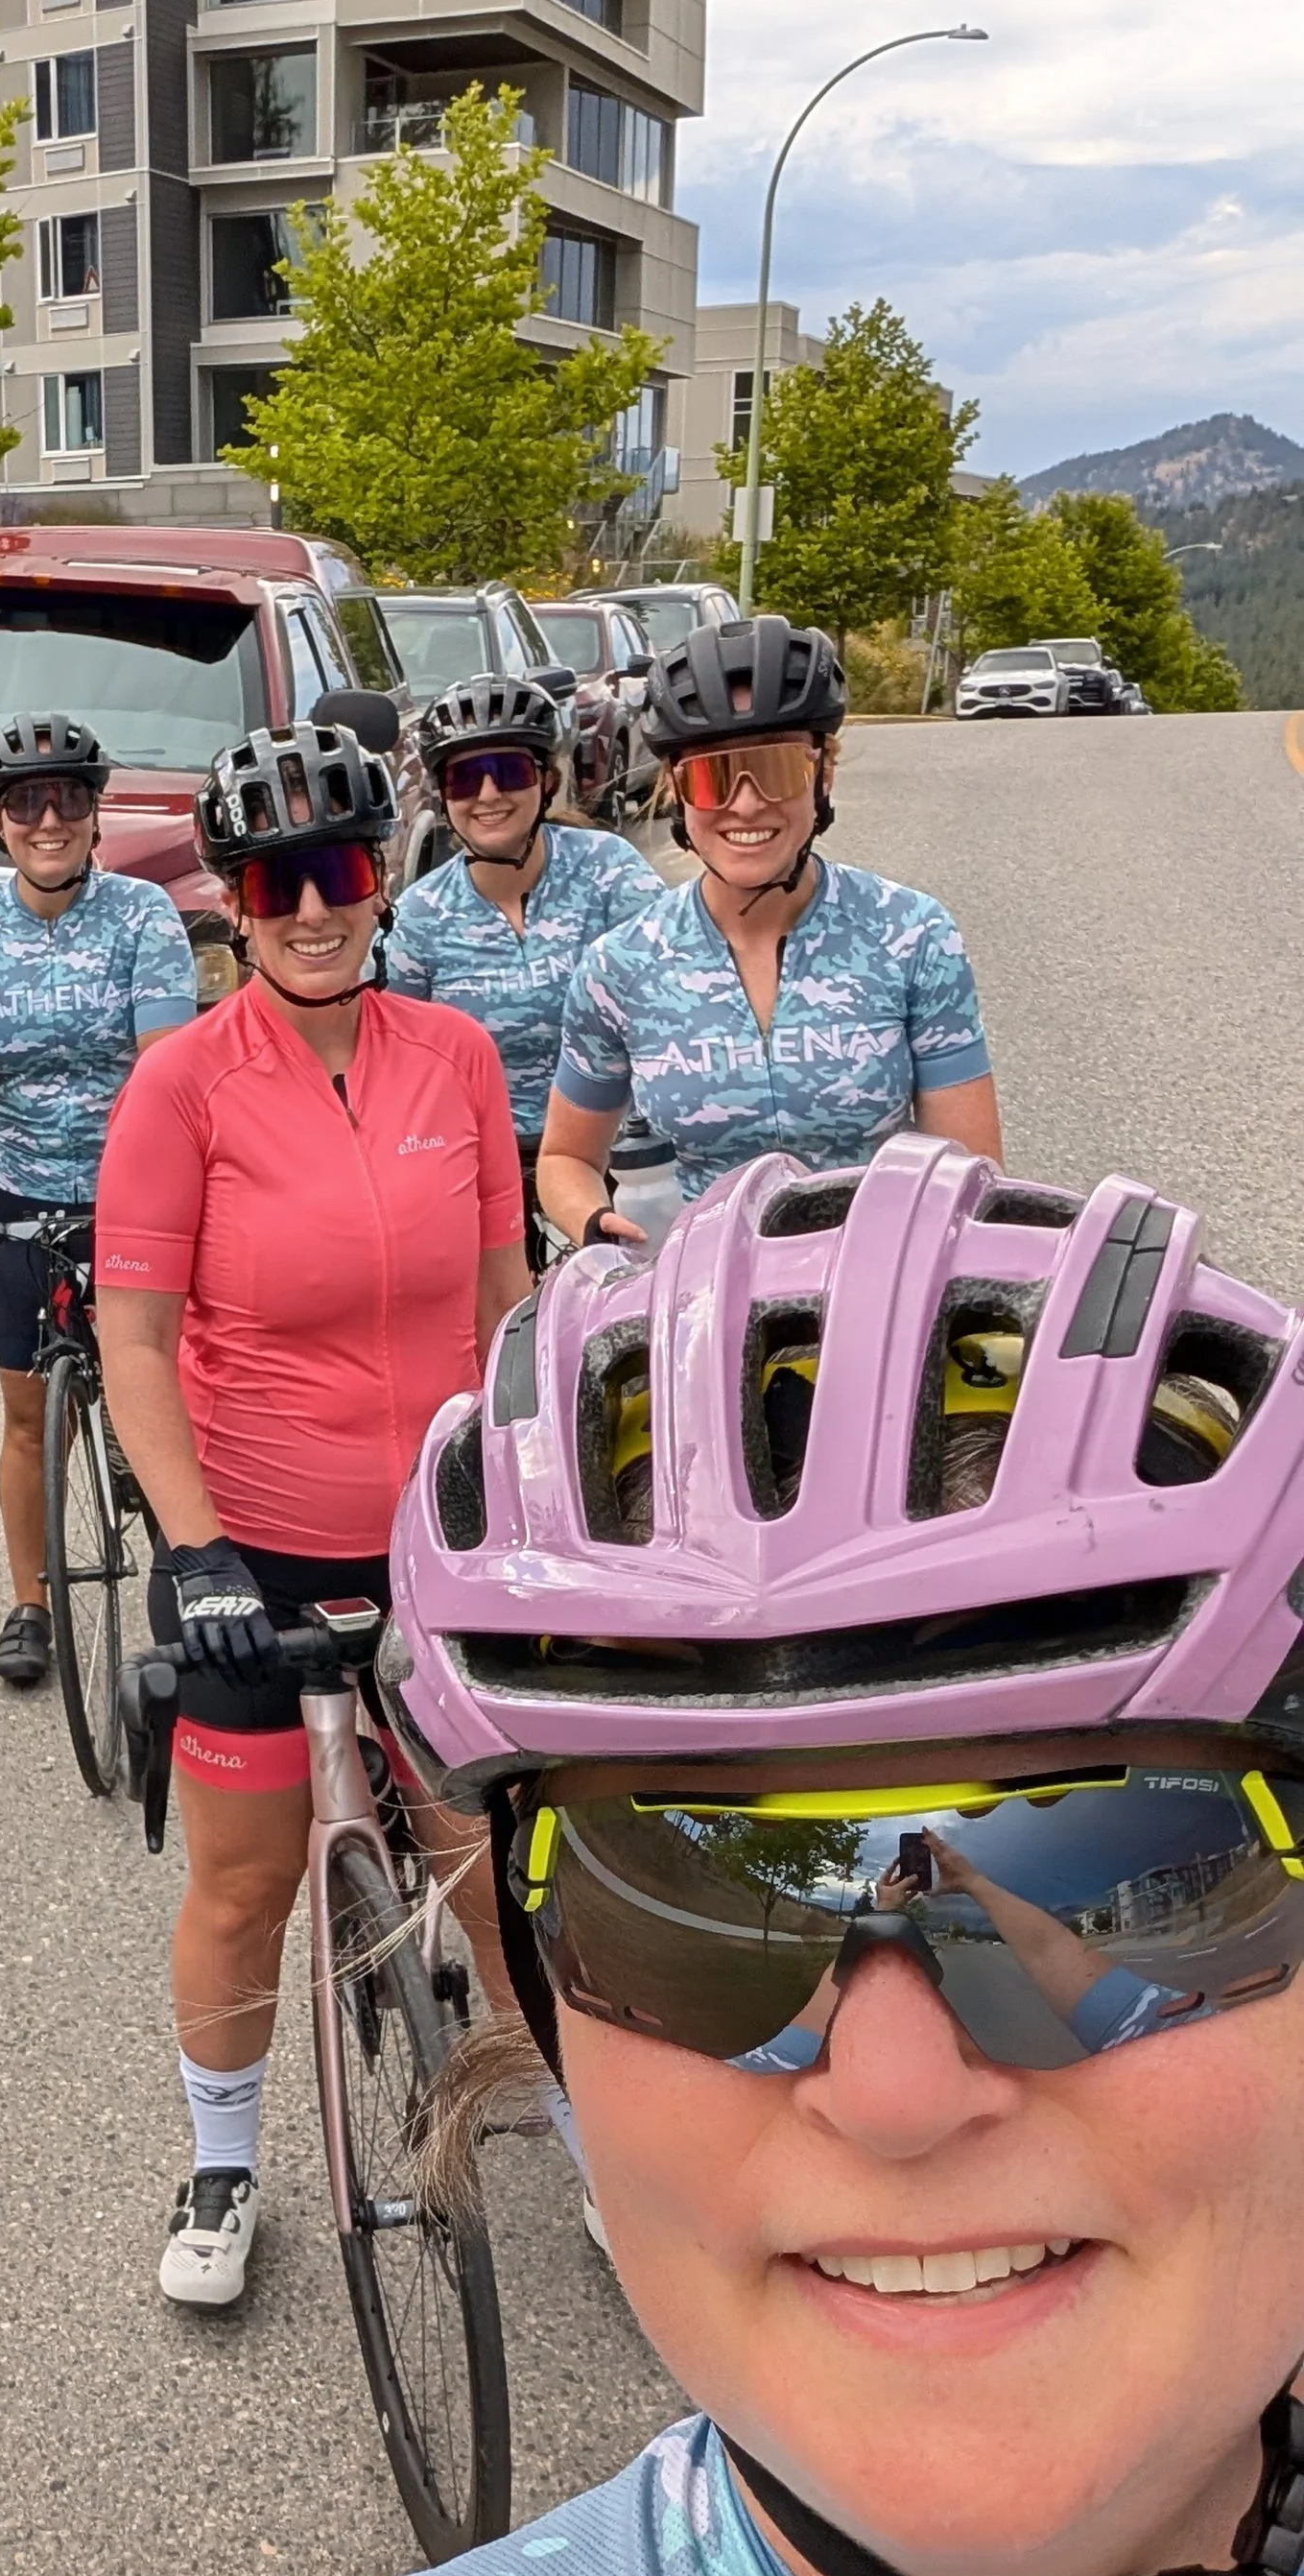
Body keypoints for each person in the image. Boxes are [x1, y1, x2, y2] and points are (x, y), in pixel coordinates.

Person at [0, 1132, 1304, 2576]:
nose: (894, 2086)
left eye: (1104, 1861)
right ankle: (221, 2147)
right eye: (687, 1889)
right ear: (533, 1983)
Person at [94, 719, 530, 2308]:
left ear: (381, 876)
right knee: (243, 1881)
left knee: (486, 1850)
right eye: (276, 879)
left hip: (436, 1529)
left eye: (338, 867)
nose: (311, 905)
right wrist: (196, 1542)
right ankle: (222, 2155)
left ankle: (583, 2124)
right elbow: (134, 1340)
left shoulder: (458, 1059)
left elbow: (504, 1299)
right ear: (234, 902)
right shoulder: (180, 1085)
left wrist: (524, 1486)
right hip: (254, 1544)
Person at [0, 713, 197, 1688]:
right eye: (27, 801)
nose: (49, 818)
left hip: (129, 1192)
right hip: (18, 1188)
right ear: (0, 820)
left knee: (164, 1399)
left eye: (68, 798)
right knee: (29, 1420)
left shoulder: (143, 915)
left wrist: (168, 1199)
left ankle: (189, 1573)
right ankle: (31, 1602)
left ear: (97, 812)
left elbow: (164, 1069)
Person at [537, 614, 1003, 1249]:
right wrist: (594, 1221)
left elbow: (971, 1170)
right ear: (676, 791)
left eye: (778, 769)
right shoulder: (621, 965)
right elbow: (565, 1157)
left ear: (823, 777)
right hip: (705, 1298)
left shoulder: (911, 935)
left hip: (881, 1287)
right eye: (714, 776)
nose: (748, 803)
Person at [384, 672, 658, 1259]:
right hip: (481, 1171)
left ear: (548, 780)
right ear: (441, 796)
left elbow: (675, 996)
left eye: (507, 773)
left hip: (611, 1155)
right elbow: (396, 1065)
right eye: (463, 778)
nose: (487, 795)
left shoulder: (611, 871)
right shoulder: (418, 916)